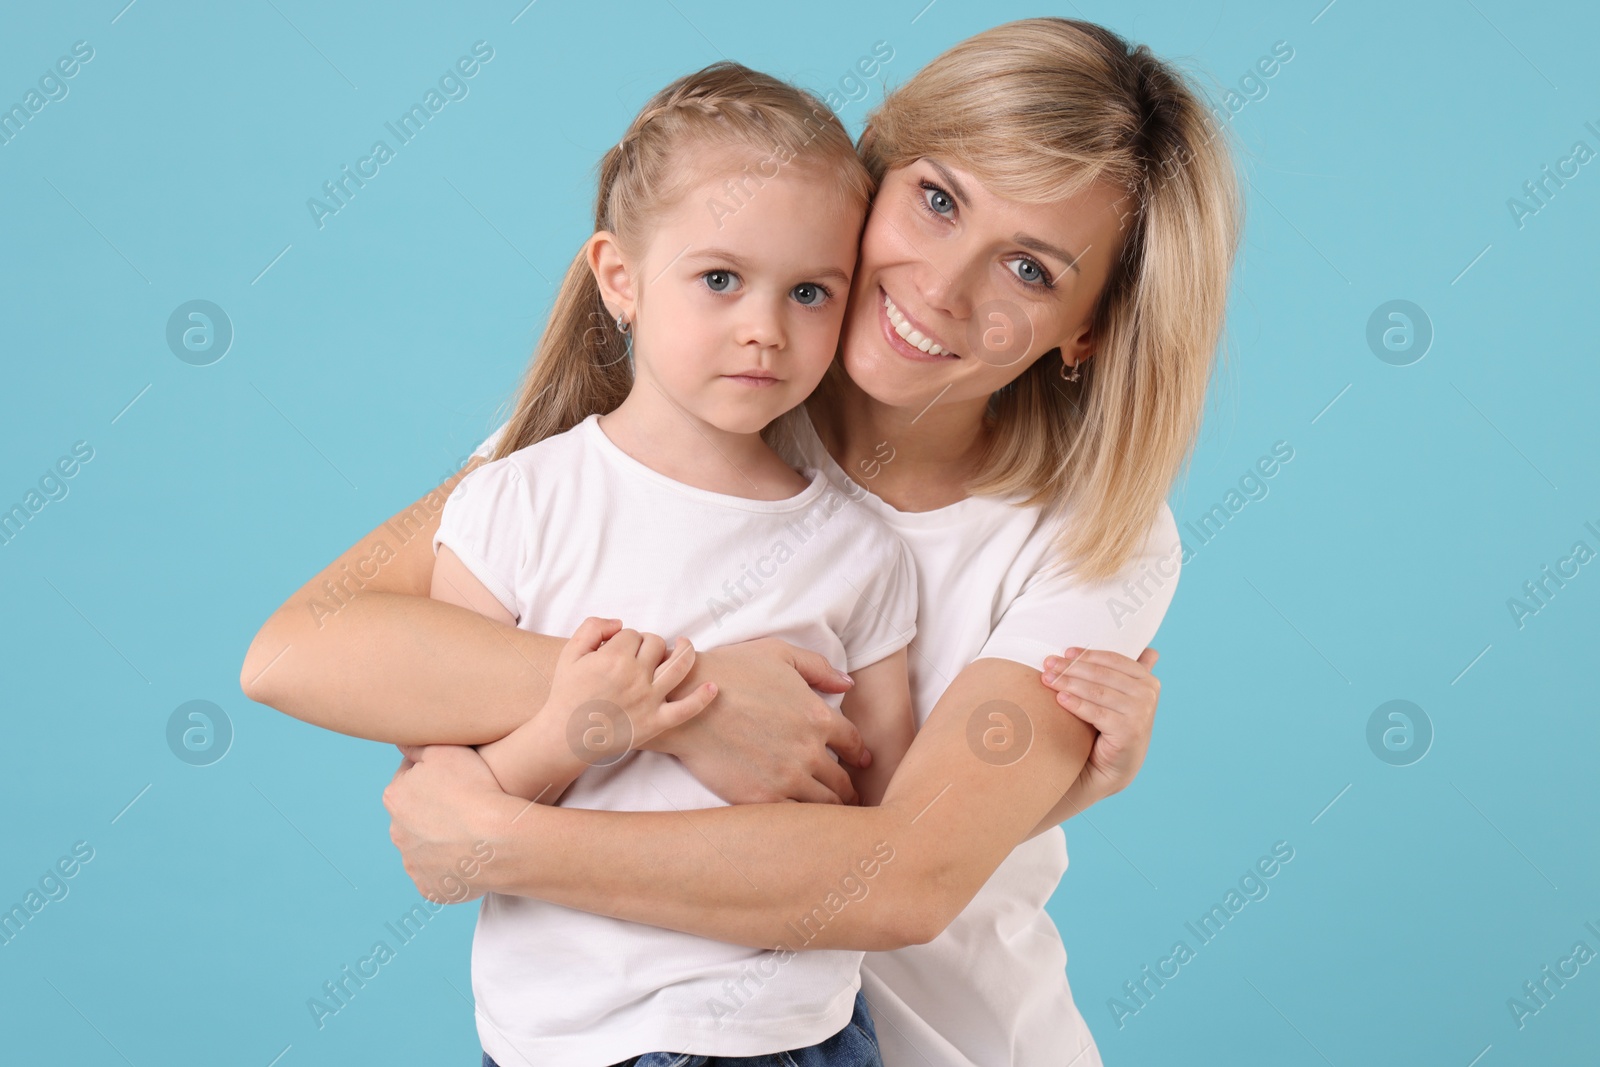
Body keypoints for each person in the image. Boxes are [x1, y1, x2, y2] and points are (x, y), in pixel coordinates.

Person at [242, 16, 1238, 1067]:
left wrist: (505, 839)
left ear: (1086, 329)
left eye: (1029, 269)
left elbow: (904, 876)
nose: (941, 287)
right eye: (937, 200)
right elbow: (303, 647)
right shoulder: (674, 413)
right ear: (874, 174)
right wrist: (682, 705)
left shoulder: (1094, 534)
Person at [427, 61, 917, 1066]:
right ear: (619, 277)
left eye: (811, 291)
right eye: (720, 278)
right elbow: (446, 830)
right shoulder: (513, 506)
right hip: (559, 1045)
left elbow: (888, 836)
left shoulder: (860, 553)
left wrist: (1086, 774)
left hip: (789, 1039)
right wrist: (581, 728)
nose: (763, 328)